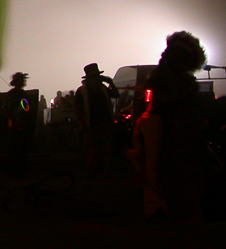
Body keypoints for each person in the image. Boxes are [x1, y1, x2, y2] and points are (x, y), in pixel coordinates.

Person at [130, 31, 208, 223]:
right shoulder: (180, 81)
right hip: (165, 123)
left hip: (164, 122)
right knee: (159, 165)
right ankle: (159, 207)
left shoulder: (170, 78)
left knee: (157, 165)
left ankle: (159, 206)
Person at [74, 63, 120, 178]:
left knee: (105, 149)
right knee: (92, 150)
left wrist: (111, 83)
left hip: (105, 123)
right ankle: (92, 172)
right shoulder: (81, 91)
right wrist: (83, 124)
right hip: (91, 125)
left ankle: (103, 171)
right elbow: (78, 109)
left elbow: (116, 95)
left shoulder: (103, 89)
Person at [3, 72, 31, 176]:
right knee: (16, 149)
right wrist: (13, 120)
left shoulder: (20, 94)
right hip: (16, 125)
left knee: (19, 149)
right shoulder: (14, 94)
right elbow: (6, 108)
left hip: (20, 124)